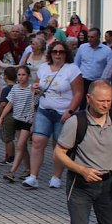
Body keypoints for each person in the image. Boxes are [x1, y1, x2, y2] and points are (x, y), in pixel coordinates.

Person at [53, 80, 112, 224]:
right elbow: (59, 153)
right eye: (101, 101)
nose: (105, 105)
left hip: (107, 186)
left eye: (109, 101)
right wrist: (82, 170)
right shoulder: (76, 122)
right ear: (89, 99)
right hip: (80, 186)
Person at [22, 41, 84, 189]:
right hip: (44, 109)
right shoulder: (44, 67)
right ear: (50, 53)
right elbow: (37, 85)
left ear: (66, 54)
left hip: (63, 112)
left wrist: (70, 111)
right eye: (55, 51)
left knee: (59, 146)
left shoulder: (72, 69)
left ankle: (56, 176)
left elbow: (79, 93)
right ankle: (33, 177)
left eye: (61, 52)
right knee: (37, 141)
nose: (58, 54)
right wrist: (35, 88)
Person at [0, 66, 35, 182]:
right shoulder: (15, 88)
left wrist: (33, 122)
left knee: (20, 145)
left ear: (28, 76)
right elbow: (10, 104)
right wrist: (1, 117)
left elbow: (36, 104)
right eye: (19, 75)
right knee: (22, 147)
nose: (21, 77)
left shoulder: (31, 89)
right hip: (17, 119)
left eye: (23, 75)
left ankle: (12, 171)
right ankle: (28, 169)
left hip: (27, 120)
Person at [74, 28, 112, 109]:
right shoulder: (82, 47)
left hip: (97, 81)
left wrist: (103, 81)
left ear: (98, 37)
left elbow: (109, 68)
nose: (89, 39)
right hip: (83, 80)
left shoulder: (107, 50)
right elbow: (76, 63)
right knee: (82, 103)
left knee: (95, 103)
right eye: (88, 37)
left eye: (92, 37)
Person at [0, 67, 18, 167]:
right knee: (13, 137)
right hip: (18, 114)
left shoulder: (6, 90)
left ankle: (10, 157)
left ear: (5, 76)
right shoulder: (18, 88)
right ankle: (10, 156)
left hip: (8, 115)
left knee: (8, 138)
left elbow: (3, 104)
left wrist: (0, 116)